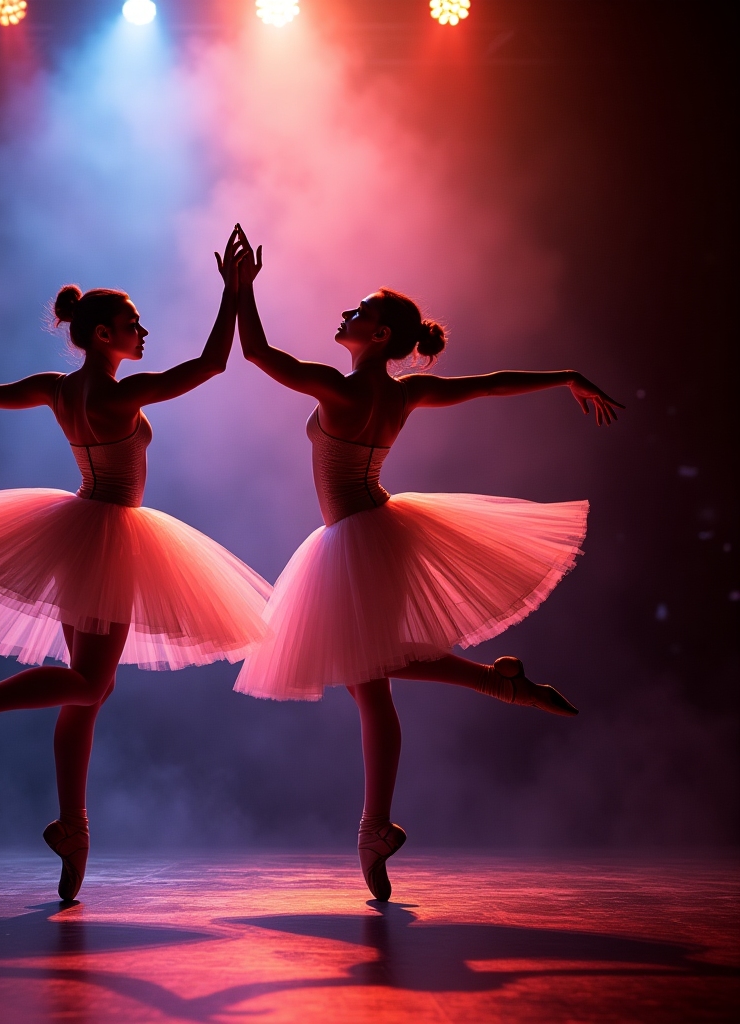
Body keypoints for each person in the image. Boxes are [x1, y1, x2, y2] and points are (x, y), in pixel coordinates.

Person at [0, 227, 271, 900]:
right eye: (133, 324)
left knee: (83, 689)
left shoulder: (58, 388)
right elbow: (212, 366)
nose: (144, 331)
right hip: (105, 538)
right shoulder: (116, 396)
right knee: (90, 687)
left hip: (81, 537)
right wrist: (233, 294)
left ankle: (72, 830)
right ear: (103, 334)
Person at [231, 229, 623, 901]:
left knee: (368, 683)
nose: (344, 317)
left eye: (357, 313)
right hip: (371, 533)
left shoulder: (338, 389)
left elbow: (259, 353)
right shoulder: (403, 395)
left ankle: (378, 824)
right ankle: (488, 695)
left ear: (379, 337)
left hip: (358, 539)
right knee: (369, 675)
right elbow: (491, 384)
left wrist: (241, 292)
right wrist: (563, 376)